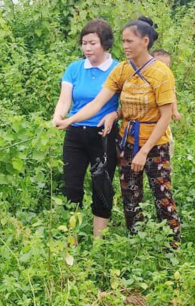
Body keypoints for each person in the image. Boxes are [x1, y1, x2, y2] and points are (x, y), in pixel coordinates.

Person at [57, 17, 180, 244]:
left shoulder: (161, 73)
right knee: (131, 198)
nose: (125, 46)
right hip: (127, 142)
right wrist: (71, 120)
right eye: (123, 41)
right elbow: (97, 103)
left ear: (144, 41)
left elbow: (165, 116)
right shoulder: (122, 70)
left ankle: (172, 248)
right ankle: (136, 245)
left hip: (153, 144)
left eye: (129, 41)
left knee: (162, 197)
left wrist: (145, 151)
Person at [51, 19, 120, 239]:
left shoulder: (118, 70)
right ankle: (71, 238)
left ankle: (97, 243)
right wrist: (58, 116)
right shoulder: (74, 68)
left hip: (103, 135)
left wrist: (115, 114)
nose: (87, 48)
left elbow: (122, 104)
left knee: (101, 185)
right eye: (84, 43)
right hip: (75, 135)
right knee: (72, 186)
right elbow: (65, 100)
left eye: (92, 43)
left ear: (105, 44)